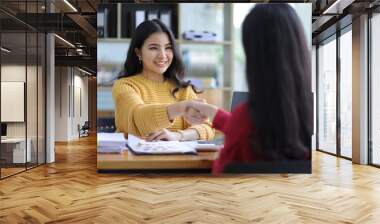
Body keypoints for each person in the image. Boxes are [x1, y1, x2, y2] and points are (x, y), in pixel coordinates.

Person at [184, 4, 313, 174]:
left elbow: (221, 171)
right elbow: (244, 125)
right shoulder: (307, 113)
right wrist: (209, 110)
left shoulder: (246, 120)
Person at [112, 19, 215, 141]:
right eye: (153, 48)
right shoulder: (124, 85)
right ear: (138, 52)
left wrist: (178, 136)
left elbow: (207, 128)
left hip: (176, 159)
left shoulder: (183, 89)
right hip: (132, 159)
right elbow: (138, 118)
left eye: (168, 48)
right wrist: (183, 107)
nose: (163, 55)